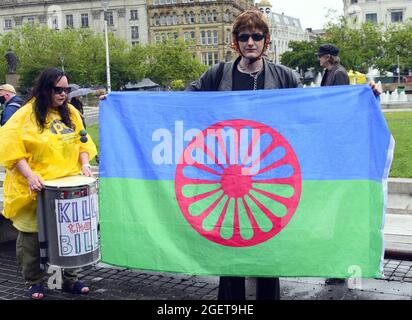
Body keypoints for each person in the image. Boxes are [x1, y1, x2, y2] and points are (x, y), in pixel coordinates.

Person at [186, 8, 300, 300]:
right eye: (244, 36)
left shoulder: (285, 76)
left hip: (269, 179)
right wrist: (123, 104)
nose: (251, 42)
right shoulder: (217, 74)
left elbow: (312, 110)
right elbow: (182, 103)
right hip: (228, 178)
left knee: (267, 251)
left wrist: (365, 96)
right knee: (230, 250)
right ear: (235, 42)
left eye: (257, 36)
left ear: (266, 40)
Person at [0, 67, 97, 299]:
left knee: (67, 234)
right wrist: (30, 175)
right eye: (57, 89)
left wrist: (84, 163)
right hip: (33, 188)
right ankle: (33, 281)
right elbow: (11, 149)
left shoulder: (71, 112)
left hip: (64, 189)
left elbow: (82, 141)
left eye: (66, 89)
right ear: (45, 89)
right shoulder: (25, 115)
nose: (63, 94)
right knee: (31, 237)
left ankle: (69, 279)